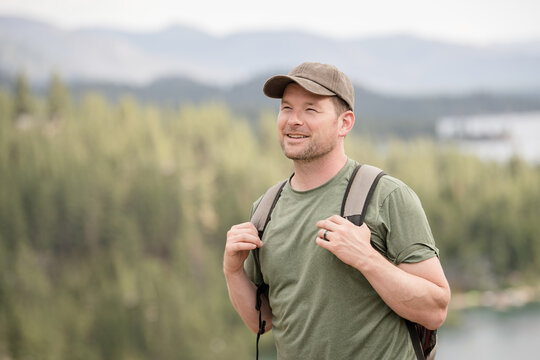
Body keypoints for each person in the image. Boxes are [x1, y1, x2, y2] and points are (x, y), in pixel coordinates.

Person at [223, 62, 451, 359]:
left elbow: (435, 310)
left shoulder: (387, 196)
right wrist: (232, 271)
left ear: (345, 123)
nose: (293, 120)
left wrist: (366, 258)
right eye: (287, 108)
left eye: (310, 110)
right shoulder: (265, 209)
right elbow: (262, 322)